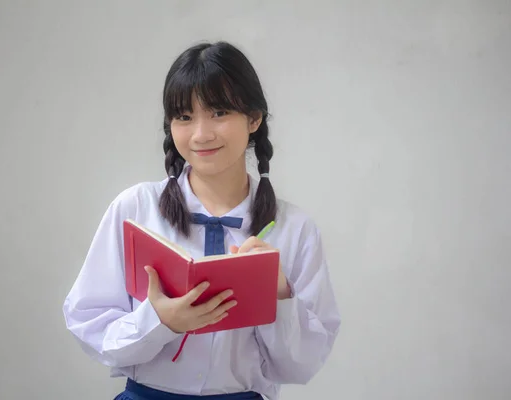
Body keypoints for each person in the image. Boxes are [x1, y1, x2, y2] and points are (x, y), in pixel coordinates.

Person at [63, 41, 341, 400]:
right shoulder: (135, 209)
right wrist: (159, 323)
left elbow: (301, 367)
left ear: (254, 118)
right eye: (184, 117)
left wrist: (280, 296)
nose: (201, 134)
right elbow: (91, 328)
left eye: (219, 112)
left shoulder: (294, 228)